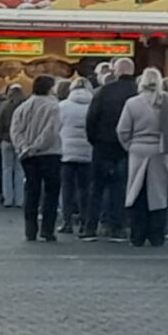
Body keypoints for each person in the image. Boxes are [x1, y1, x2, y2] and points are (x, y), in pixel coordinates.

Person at [117, 68, 168, 247]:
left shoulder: (132, 103)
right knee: (159, 195)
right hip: (162, 151)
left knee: (137, 192)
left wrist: (130, 146)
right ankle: (157, 235)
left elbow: (122, 130)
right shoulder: (167, 102)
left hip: (138, 150)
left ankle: (137, 234)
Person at [82, 57, 137, 242]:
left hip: (102, 145)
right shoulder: (137, 93)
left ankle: (90, 227)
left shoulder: (104, 91)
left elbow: (91, 120)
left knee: (96, 188)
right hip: (127, 147)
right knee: (121, 188)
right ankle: (118, 227)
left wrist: (94, 141)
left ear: (116, 71)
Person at [11, 75, 64, 242]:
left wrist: (24, 147)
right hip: (50, 154)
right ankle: (47, 229)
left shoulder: (23, 107)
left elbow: (15, 130)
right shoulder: (53, 107)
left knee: (31, 191)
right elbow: (50, 131)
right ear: (49, 88)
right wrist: (36, 146)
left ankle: (30, 228)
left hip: (27, 156)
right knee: (51, 192)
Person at [58, 77, 94, 234]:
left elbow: (56, 127)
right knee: (85, 189)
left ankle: (67, 222)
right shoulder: (94, 105)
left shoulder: (63, 106)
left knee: (67, 189)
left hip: (67, 152)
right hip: (88, 152)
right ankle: (85, 222)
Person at [0, 84, 26, 208]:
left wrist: (1, 136)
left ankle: (8, 198)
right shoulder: (25, 106)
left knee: (6, 169)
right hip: (21, 141)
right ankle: (19, 199)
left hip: (6, 140)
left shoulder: (4, 106)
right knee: (19, 170)